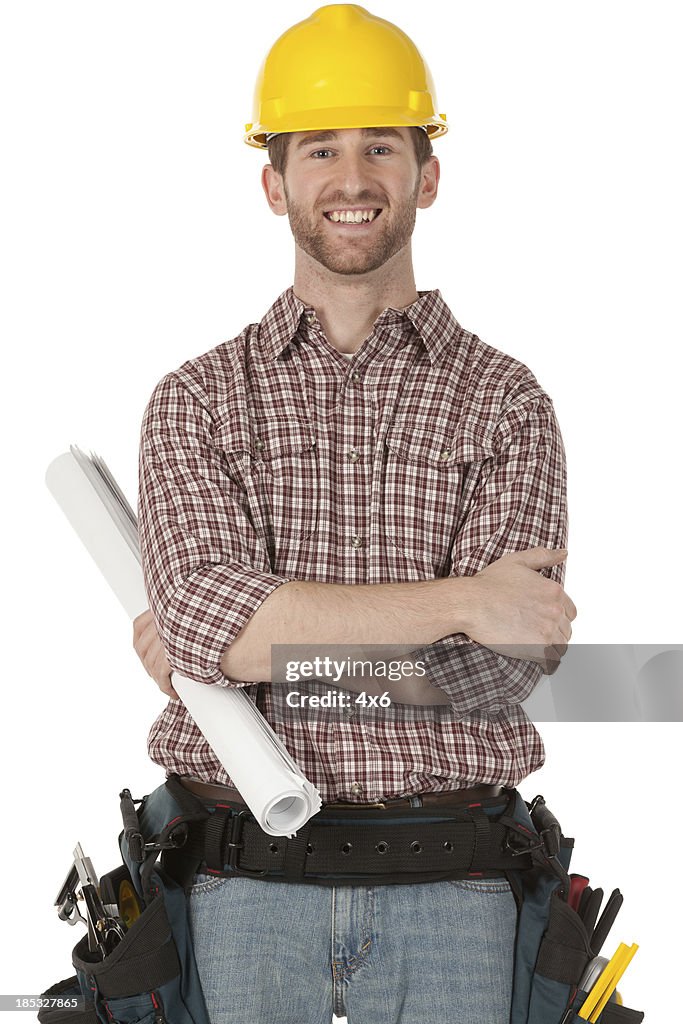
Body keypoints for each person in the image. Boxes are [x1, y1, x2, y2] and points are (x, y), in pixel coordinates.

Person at [133, 5, 577, 1022]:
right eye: (318, 148)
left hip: (454, 890)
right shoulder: (197, 397)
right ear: (271, 180)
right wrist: (462, 597)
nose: (350, 177)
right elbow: (205, 615)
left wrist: (250, 664)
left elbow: (494, 674)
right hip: (237, 889)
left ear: (427, 175)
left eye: (381, 145)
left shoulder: (506, 402)